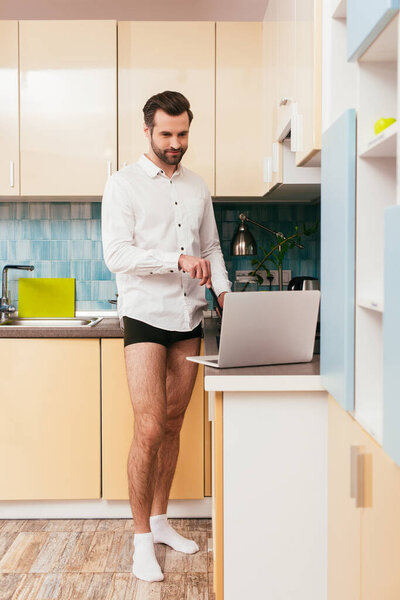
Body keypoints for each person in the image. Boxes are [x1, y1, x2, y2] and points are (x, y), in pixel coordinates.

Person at [101, 90, 231, 582]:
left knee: (174, 424)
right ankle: (140, 541)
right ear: (147, 130)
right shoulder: (123, 184)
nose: (175, 143)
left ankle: (160, 521)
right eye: (166, 134)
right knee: (150, 426)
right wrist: (174, 259)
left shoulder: (197, 186)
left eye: (182, 134)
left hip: (190, 316)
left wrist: (223, 291)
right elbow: (117, 254)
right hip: (144, 315)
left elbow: (213, 246)